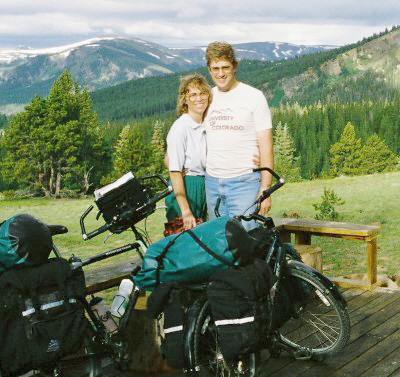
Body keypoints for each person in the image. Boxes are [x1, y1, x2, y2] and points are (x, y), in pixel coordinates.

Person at [203, 41, 274, 228]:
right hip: (212, 183)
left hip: (245, 182)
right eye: (215, 68)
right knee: (218, 241)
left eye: (225, 67)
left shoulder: (253, 97)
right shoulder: (206, 98)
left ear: (234, 66)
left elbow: (266, 147)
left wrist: (265, 190)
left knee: (247, 241)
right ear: (209, 70)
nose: (220, 73)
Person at [163, 73, 212, 235]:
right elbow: (175, 171)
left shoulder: (207, 123)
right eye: (193, 95)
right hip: (186, 187)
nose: (198, 98)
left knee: (202, 241)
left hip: (205, 185)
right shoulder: (181, 128)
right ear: (185, 99)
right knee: (183, 239)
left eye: (202, 93)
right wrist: (185, 210)